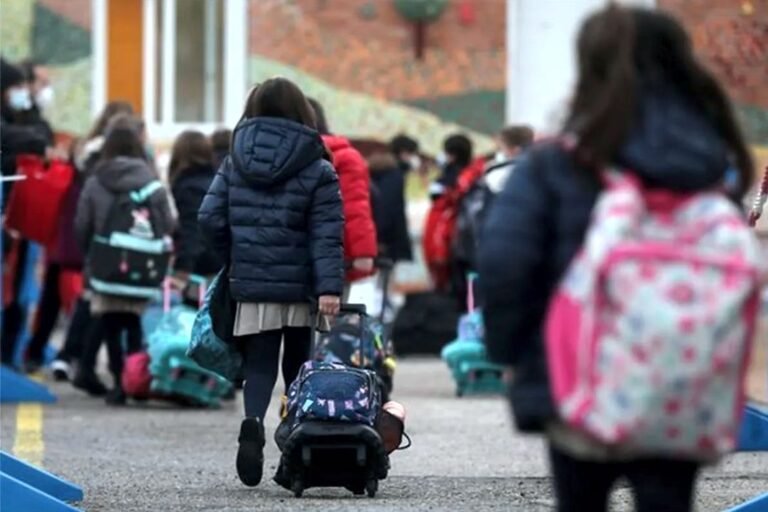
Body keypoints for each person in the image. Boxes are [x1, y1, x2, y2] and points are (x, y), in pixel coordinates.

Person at [479, 6, 754, 512]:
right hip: (682, 377)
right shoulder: (710, 165)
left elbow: (504, 263)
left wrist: (512, 353)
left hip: (576, 375)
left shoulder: (555, 164)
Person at [198, 77, 344, 487]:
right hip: (300, 285)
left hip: (252, 281)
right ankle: (293, 442)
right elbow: (326, 234)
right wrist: (329, 287)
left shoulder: (234, 160)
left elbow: (208, 218)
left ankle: (252, 423)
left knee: (260, 362)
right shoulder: (317, 165)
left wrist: (234, 255)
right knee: (297, 364)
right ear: (302, 111)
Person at [73, 114, 174, 404]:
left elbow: (82, 225)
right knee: (133, 323)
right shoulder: (152, 183)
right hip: (143, 266)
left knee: (109, 324)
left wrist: (92, 254)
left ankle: (118, 382)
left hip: (105, 265)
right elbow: (167, 224)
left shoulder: (96, 182)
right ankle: (135, 380)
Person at [48, 101, 135, 381]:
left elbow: (83, 218)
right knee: (121, 311)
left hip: (98, 246)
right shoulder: (141, 172)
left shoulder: (90, 163)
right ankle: (123, 372)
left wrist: (88, 247)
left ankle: (74, 359)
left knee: (93, 303)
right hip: (131, 249)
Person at [0, 58, 50, 367]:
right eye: (16, 87)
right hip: (8, 213)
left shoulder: (19, 117)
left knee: (17, 291)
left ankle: (9, 355)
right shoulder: (11, 126)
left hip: (17, 215)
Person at [308, 98, 377, 287]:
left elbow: (354, 206)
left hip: (332, 255)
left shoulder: (342, 157)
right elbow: (355, 206)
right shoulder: (344, 155)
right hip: (331, 253)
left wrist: (362, 253)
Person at [168, 130, 222, 283]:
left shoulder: (188, 187)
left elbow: (193, 229)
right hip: (222, 258)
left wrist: (182, 268)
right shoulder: (217, 179)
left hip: (203, 265)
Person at [368, 135, 418, 264]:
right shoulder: (394, 174)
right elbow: (387, 206)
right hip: (388, 240)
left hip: (377, 234)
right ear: (403, 153)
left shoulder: (381, 171)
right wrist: (381, 239)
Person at [430, 133, 473, 199]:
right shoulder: (468, 170)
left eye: (446, 152)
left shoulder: (455, 174)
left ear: (454, 155)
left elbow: (437, 193)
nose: (444, 155)